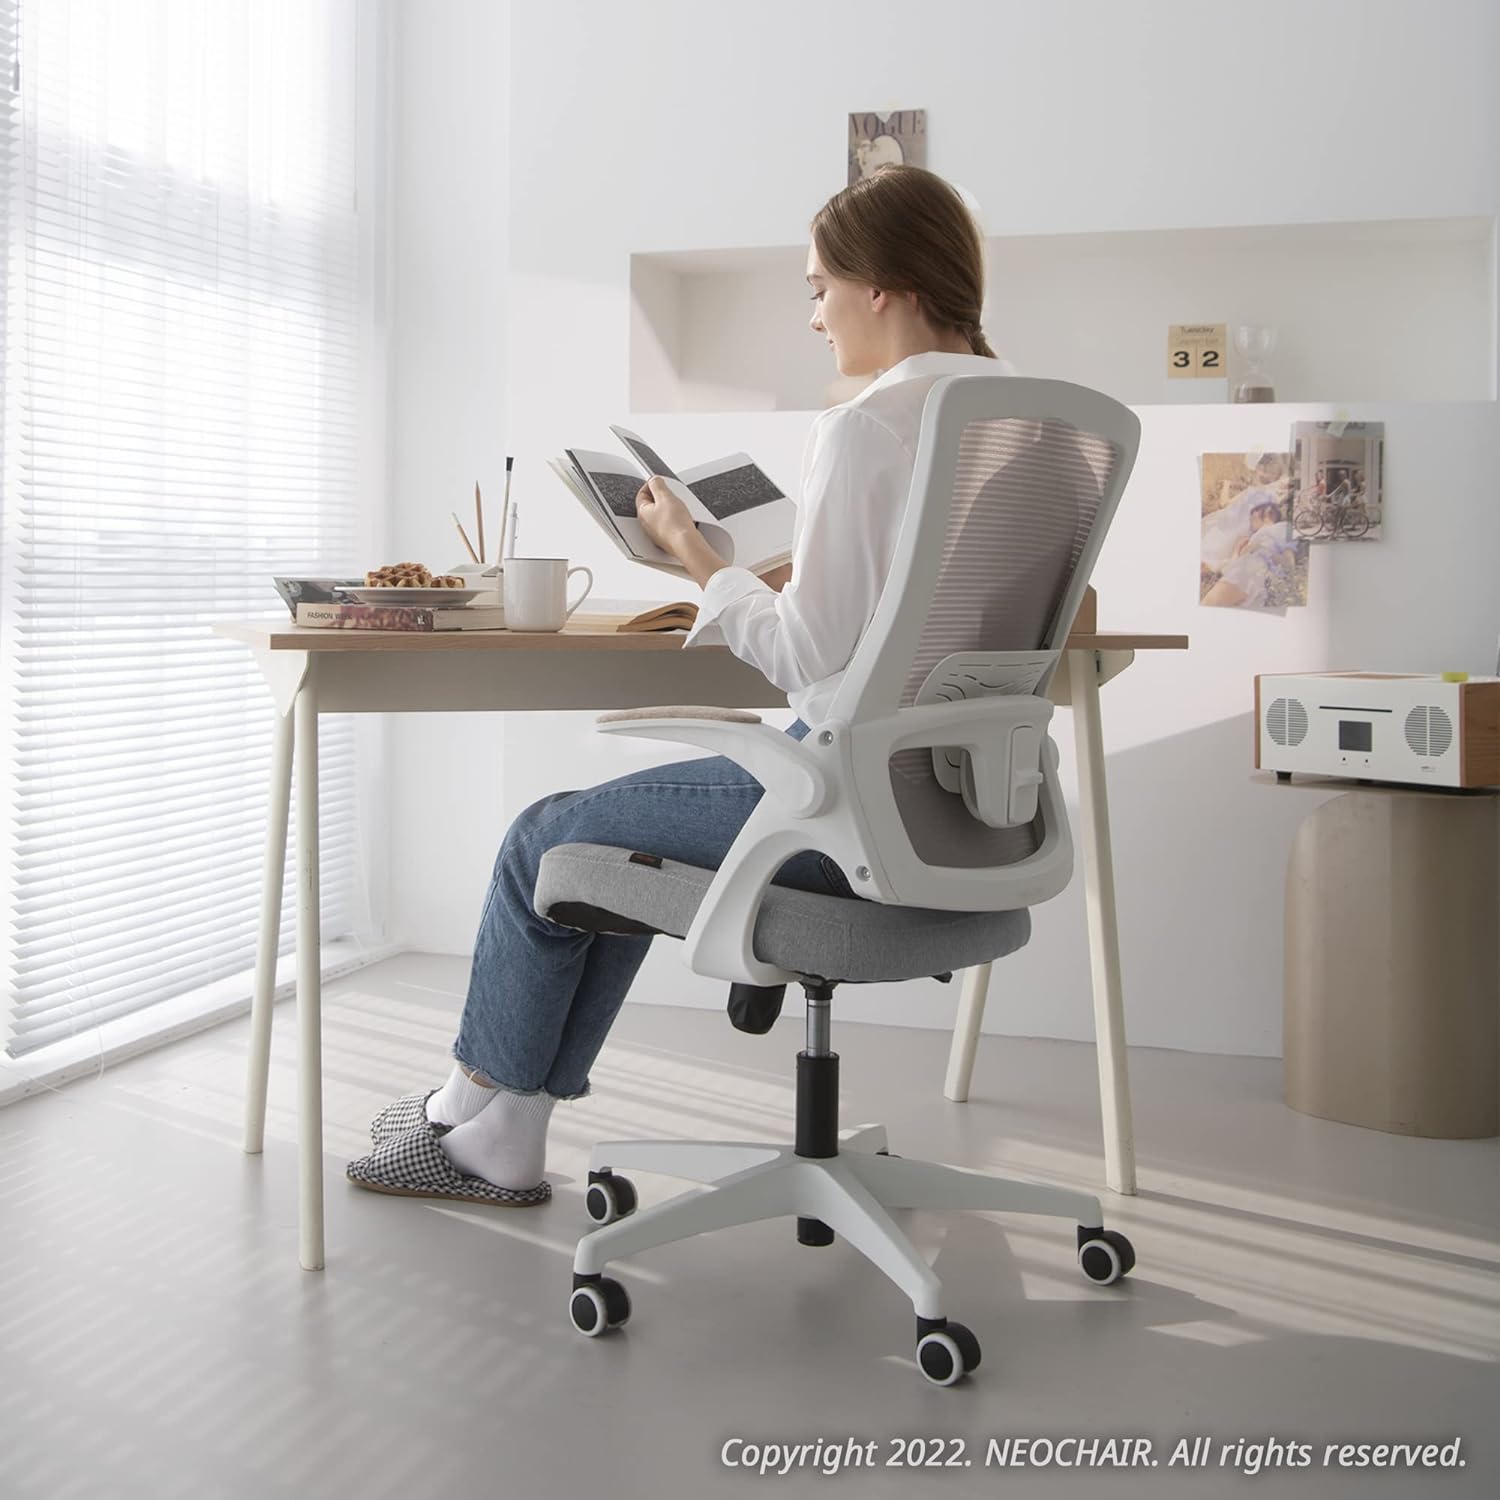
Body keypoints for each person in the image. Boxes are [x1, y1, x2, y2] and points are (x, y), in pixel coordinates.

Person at [345, 165, 1016, 1206]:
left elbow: (804, 656)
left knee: (547, 839)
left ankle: (465, 1118)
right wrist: (786, 576)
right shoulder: (1021, 424)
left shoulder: (869, 425)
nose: (813, 316)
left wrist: (700, 560)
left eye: (818, 287)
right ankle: (486, 1122)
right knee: (597, 844)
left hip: (847, 809)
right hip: (975, 813)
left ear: (881, 285)